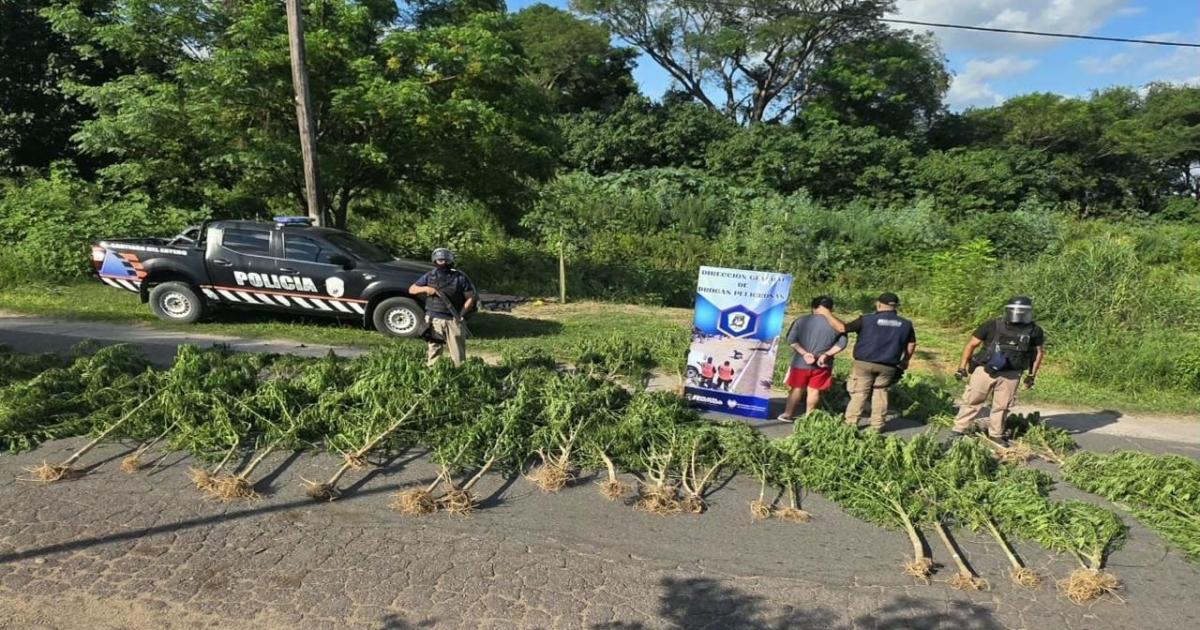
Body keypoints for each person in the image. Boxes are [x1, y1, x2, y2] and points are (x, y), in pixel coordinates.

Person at [948, 296, 1046, 445]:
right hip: (984, 370)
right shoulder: (992, 325)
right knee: (973, 401)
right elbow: (972, 344)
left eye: (1021, 311)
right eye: (1015, 311)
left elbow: (1038, 352)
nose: (1018, 314)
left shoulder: (1034, 330)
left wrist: (1032, 375)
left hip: (1012, 374)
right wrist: (962, 368)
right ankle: (959, 429)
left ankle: (996, 434)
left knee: (1002, 406)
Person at [814, 292, 916, 432]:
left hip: (864, 363)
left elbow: (843, 328)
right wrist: (906, 360)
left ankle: (850, 424)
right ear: (895, 306)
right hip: (888, 366)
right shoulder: (906, 324)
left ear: (879, 304)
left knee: (859, 393)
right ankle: (877, 425)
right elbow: (911, 344)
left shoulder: (866, 320)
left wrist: (826, 314)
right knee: (880, 393)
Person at [778, 296, 848, 422]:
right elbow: (842, 344)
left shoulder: (801, 320)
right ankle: (809, 417)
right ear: (831, 308)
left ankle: (788, 414)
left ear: (813, 307)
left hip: (800, 363)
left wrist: (804, 354)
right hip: (823, 365)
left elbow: (791, 340)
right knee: (814, 391)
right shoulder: (838, 325)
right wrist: (826, 355)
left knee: (797, 388)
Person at [409, 248, 475, 367]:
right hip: (434, 319)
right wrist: (425, 289)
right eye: (440, 260)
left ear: (451, 261)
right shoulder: (429, 276)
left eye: (446, 260)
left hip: (453, 319)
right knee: (434, 350)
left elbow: (470, 298)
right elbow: (412, 289)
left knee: (458, 353)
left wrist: (461, 314)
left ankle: (460, 375)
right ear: (435, 261)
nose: (443, 263)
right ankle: (433, 374)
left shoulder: (460, 277)